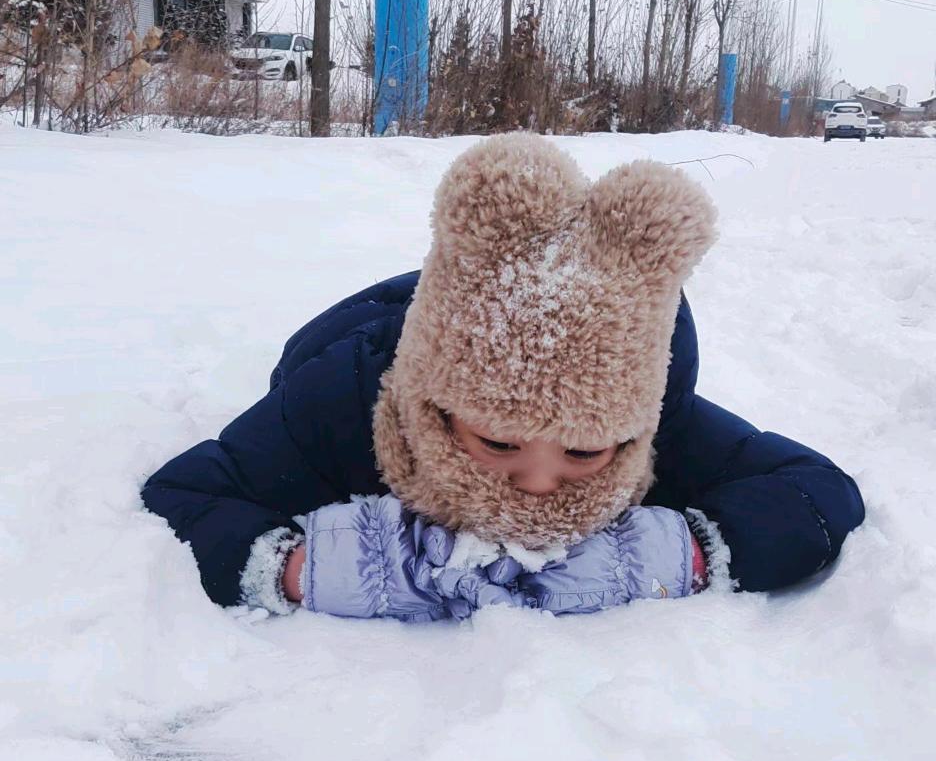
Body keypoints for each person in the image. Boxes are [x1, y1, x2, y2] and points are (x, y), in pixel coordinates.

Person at [141, 134, 864, 619]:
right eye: (496, 442)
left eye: (583, 452)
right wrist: (303, 566)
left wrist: (684, 552)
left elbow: (816, 492)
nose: (539, 484)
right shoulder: (343, 405)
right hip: (368, 335)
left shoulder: (646, 415)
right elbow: (182, 496)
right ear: (437, 411)